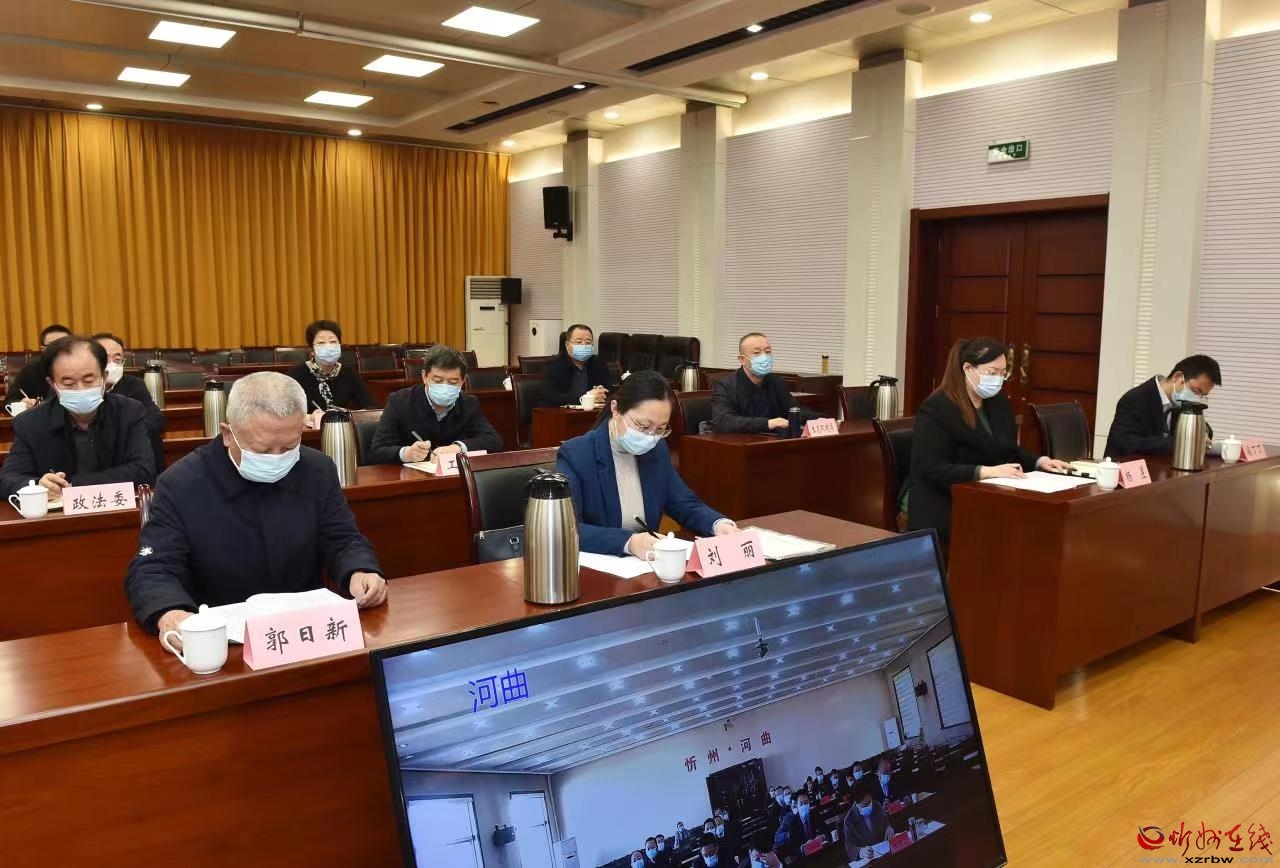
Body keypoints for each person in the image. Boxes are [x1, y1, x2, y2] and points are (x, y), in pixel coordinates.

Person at [124, 372, 387, 639]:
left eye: (289, 447)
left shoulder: (317, 469)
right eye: (262, 450)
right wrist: (171, 612)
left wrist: (360, 570)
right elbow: (154, 567)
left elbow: (343, 539)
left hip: (304, 631)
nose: (277, 458)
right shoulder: (181, 483)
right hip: (221, 637)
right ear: (228, 434)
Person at [908, 337, 1070, 550]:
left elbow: (1008, 450)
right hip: (943, 500)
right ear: (968, 368)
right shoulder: (937, 408)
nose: (998, 379)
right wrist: (984, 472)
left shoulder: (998, 403)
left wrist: (1040, 461)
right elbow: (929, 467)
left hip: (988, 495)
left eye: (1003, 374)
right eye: (992, 372)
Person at [557, 371, 738, 556]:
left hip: (649, 563)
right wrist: (628, 542)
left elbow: (684, 503)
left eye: (660, 429)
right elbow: (567, 528)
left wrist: (718, 525)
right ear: (616, 409)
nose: (650, 437)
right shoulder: (577, 454)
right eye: (643, 426)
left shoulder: (656, 449)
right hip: (599, 563)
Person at [0, 336, 156, 499]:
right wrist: (38, 485)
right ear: (53, 384)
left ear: (104, 377)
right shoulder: (31, 423)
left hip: (117, 509)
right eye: (68, 383)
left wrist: (74, 486)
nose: (80, 389)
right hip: (59, 514)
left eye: (88, 380)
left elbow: (145, 470)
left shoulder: (129, 412)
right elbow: (7, 479)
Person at [367, 345, 502, 465]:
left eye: (453, 382)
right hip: (410, 478)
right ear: (424, 377)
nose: (445, 387)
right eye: (437, 380)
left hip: (453, 477)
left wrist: (457, 448)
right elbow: (377, 451)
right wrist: (406, 453)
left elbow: (493, 441)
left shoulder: (469, 403)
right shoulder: (399, 402)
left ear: (463, 381)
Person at [1105, 355, 1221, 457]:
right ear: (1178, 378)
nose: (1196, 398)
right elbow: (1126, 443)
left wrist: (1202, 434)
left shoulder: (1182, 401)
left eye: (1202, 395)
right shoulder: (1135, 399)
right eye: (1196, 391)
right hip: (1128, 469)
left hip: (1163, 469)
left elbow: (1203, 426)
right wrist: (1179, 442)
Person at [711, 332, 817, 434]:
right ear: (742, 360)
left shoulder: (776, 382)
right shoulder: (726, 386)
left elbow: (794, 410)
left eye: (767, 351)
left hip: (772, 440)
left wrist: (820, 419)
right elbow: (723, 421)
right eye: (757, 353)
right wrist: (768, 423)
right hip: (740, 441)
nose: (764, 357)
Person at [92, 333, 166, 472]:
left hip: (128, 456)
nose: (112, 364)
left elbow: (156, 419)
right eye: (106, 358)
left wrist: (122, 433)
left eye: (117, 359)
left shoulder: (134, 385)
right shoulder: (78, 390)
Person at [286, 319, 376, 427]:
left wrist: (348, 415)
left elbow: (371, 407)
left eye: (333, 342)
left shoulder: (348, 372)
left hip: (341, 428)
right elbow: (285, 412)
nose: (328, 346)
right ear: (312, 351)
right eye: (321, 343)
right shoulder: (297, 373)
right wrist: (309, 417)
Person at [541, 323, 614, 408]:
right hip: (563, 413)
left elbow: (609, 392)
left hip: (594, 412)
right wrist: (588, 397)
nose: (584, 346)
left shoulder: (598, 363)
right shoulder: (554, 365)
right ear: (567, 345)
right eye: (579, 342)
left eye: (588, 342)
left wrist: (601, 393)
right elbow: (552, 398)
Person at [11, 323, 71, 407]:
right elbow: (10, 401)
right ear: (43, 349)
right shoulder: (30, 372)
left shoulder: (83, 369)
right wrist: (23, 403)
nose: (58, 350)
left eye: (64, 345)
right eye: (52, 345)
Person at [842, 793, 894, 862]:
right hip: (869, 858)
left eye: (870, 802)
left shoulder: (875, 805)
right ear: (857, 804)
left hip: (885, 850)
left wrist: (888, 827)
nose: (869, 806)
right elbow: (850, 848)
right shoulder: (849, 820)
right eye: (865, 804)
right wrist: (861, 852)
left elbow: (885, 820)